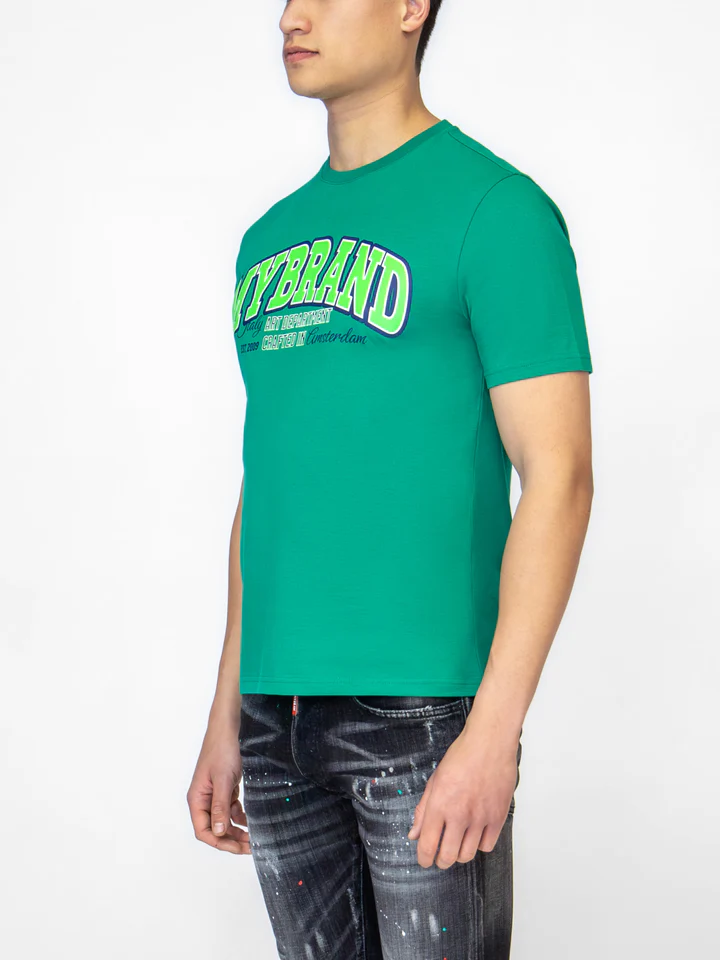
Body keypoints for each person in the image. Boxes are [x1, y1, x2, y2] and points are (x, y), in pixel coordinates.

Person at [187, 1, 594, 957]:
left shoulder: (497, 210)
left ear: (412, 7)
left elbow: (561, 475)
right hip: (276, 719)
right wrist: (227, 711)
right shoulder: (267, 240)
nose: (292, 15)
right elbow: (269, 485)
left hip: (424, 714)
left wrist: (494, 732)